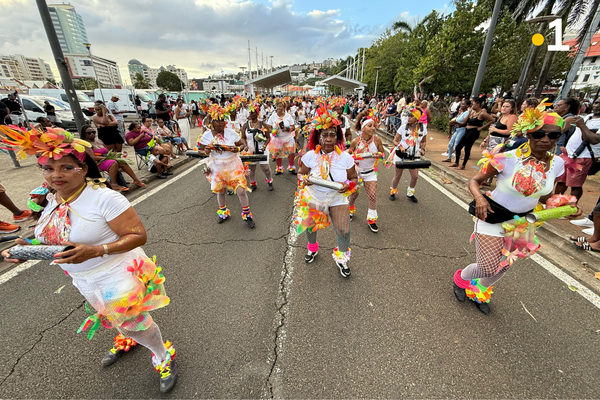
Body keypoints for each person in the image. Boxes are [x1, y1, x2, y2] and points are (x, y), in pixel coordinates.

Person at [0, 125, 177, 392]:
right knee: (117, 319)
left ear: (83, 169)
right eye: (48, 168)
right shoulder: (50, 199)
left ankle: (163, 355)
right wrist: (28, 248)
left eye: (66, 167)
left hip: (117, 272)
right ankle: (127, 339)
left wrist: (97, 250)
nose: (55, 175)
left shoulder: (104, 198)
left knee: (134, 323)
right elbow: (55, 236)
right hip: (83, 277)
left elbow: (138, 236)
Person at [453, 107, 567, 314]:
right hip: (493, 215)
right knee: (487, 266)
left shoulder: (557, 164)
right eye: (540, 133)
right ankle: (461, 278)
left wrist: (562, 206)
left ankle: (478, 290)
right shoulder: (506, 158)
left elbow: (544, 196)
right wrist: (479, 197)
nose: (546, 139)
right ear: (529, 133)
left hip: (524, 222)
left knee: (504, 264)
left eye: (554, 135)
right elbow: (475, 180)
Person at [296, 105, 358, 277]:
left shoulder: (345, 157)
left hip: (337, 198)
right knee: (310, 226)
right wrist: (304, 180)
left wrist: (348, 185)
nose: (329, 138)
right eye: (325, 135)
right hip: (314, 196)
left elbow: (354, 179)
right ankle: (312, 248)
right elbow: (300, 174)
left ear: (337, 137)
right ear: (318, 137)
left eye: (333, 134)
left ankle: (342, 258)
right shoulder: (309, 156)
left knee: (344, 231)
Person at [198, 104, 255, 228]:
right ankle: (223, 212)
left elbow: (241, 145)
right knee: (221, 191)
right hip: (217, 167)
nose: (222, 123)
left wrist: (237, 149)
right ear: (212, 122)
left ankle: (247, 214)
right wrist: (206, 151)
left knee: (241, 190)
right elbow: (200, 151)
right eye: (218, 121)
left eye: (223, 120)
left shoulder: (231, 133)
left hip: (234, 165)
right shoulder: (206, 136)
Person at [555, 97, 600, 202]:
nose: (597, 105)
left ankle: (572, 208)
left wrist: (582, 125)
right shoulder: (588, 116)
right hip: (569, 154)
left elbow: (593, 139)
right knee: (561, 181)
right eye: (596, 102)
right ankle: (555, 203)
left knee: (575, 184)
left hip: (584, 156)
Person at [348, 110, 385, 232]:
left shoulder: (377, 140)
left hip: (370, 172)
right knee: (354, 195)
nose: (373, 128)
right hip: (357, 173)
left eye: (374, 125)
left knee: (373, 196)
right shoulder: (355, 142)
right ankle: (350, 209)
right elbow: (349, 155)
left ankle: (372, 220)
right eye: (370, 125)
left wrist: (377, 155)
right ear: (363, 128)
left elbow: (382, 154)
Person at [80, 125, 146, 190]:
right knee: (113, 162)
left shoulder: (99, 141)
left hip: (106, 158)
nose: (92, 134)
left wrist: (117, 154)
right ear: (84, 134)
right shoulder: (86, 145)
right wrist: (106, 158)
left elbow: (108, 152)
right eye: (89, 133)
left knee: (122, 161)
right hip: (97, 162)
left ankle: (136, 179)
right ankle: (113, 184)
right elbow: (92, 157)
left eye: (93, 132)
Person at [389, 106, 427, 203]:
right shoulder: (403, 127)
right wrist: (401, 147)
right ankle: (393, 190)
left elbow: (423, 141)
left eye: (411, 116)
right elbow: (395, 140)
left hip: (414, 156)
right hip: (401, 155)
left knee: (415, 176)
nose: (409, 118)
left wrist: (422, 149)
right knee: (398, 175)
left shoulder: (422, 129)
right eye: (408, 115)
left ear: (417, 118)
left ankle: (410, 193)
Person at [450, 97, 495, 170]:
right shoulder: (472, 112)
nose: (472, 105)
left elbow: (492, 120)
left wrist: (481, 127)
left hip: (474, 132)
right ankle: (456, 162)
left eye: (473, 104)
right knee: (458, 147)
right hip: (467, 130)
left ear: (478, 104)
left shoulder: (482, 113)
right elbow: (465, 121)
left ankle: (463, 165)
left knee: (467, 147)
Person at [240, 103, 273, 191]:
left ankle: (270, 180)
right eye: (250, 112)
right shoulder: (245, 125)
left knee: (265, 167)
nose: (251, 114)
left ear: (258, 113)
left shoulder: (263, 124)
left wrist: (265, 145)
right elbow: (243, 137)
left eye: (254, 112)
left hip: (262, 148)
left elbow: (268, 137)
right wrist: (245, 145)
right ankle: (253, 182)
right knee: (252, 167)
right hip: (250, 149)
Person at [266, 99, 296, 174]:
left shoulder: (288, 116)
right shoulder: (273, 117)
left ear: (284, 107)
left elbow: (293, 127)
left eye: (280, 106)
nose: (278, 108)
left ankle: (291, 167)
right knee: (277, 154)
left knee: (291, 153)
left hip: (288, 138)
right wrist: (273, 131)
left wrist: (287, 128)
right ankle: (279, 168)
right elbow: (268, 127)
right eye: (277, 106)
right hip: (277, 139)